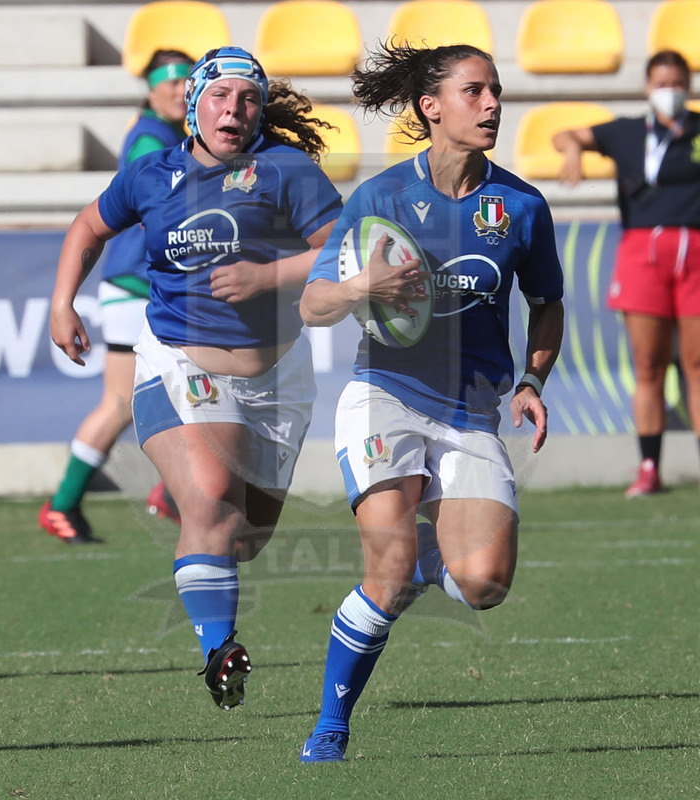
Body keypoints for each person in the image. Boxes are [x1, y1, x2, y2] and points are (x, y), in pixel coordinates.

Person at [48, 46, 342, 709]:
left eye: (246, 99)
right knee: (211, 498)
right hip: (178, 360)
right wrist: (62, 301)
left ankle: (209, 577)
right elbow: (89, 226)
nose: (232, 110)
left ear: (259, 109)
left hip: (277, 375)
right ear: (193, 104)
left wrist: (269, 276)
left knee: (245, 537)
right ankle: (220, 649)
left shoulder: (288, 171)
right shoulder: (153, 175)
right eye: (219, 96)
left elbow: (341, 248)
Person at [297, 42, 564, 763]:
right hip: (385, 394)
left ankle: (429, 560)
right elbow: (315, 302)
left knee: (483, 584)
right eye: (475, 92)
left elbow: (548, 304)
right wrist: (362, 289)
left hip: (471, 410)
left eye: (497, 92)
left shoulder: (520, 206)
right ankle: (330, 726)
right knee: (384, 573)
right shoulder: (382, 197)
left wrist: (534, 381)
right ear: (431, 106)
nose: (492, 105)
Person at [38, 49, 193, 543]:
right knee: (121, 402)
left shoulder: (168, 135)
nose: (178, 89)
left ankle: (169, 493)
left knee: (178, 392)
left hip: (144, 285)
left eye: (186, 81)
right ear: (148, 89)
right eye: (167, 82)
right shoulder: (152, 137)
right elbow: (159, 210)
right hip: (136, 286)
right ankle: (64, 504)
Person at [553, 50, 700, 498]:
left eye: (677, 83)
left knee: (697, 365)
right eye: (661, 83)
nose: (669, 92)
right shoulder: (627, 132)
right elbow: (563, 135)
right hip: (642, 252)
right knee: (649, 365)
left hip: (695, 248)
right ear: (646, 87)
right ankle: (649, 467)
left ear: (689, 87)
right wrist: (575, 149)